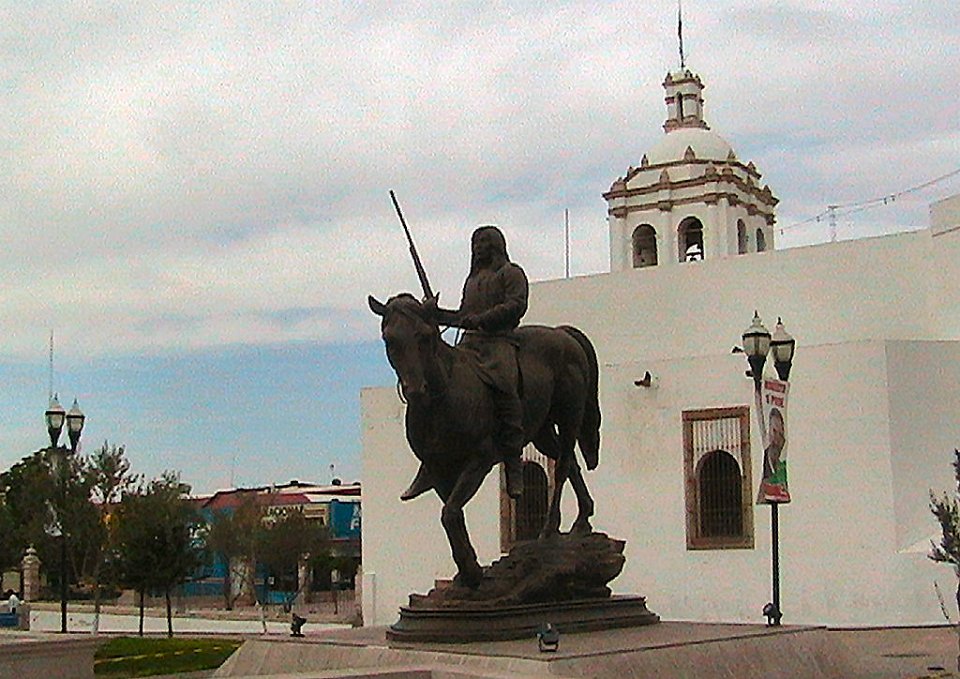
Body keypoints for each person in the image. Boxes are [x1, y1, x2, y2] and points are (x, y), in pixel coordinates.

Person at [401, 225, 528, 501]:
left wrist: (482, 319)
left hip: (499, 342)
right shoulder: (472, 281)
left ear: (495, 245)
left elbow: (516, 305)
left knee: (506, 387)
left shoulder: (511, 273)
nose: (478, 247)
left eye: (483, 241)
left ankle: (513, 463)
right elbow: (462, 315)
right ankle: (429, 463)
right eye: (475, 242)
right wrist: (435, 313)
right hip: (470, 344)